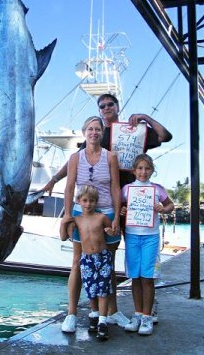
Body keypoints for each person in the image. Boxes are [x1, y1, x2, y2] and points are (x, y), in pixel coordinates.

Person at [44, 93, 172, 326]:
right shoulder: (95, 139)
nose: (105, 108)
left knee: (110, 262)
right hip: (92, 206)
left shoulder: (134, 131)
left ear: (117, 106)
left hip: (128, 204)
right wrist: (53, 179)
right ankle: (85, 313)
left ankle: (125, 311)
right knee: (81, 260)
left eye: (109, 104)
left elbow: (165, 135)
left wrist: (144, 117)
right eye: (101, 105)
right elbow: (72, 167)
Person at [60, 116, 122, 333]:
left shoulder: (111, 157)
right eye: (90, 129)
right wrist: (68, 215)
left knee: (108, 264)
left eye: (97, 129)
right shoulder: (75, 158)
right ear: (84, 131)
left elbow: (115, 187)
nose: (94, 132)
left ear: (102, 133)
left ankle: (111, 312)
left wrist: (116, 217)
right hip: (81, 214)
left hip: (105, 212)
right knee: (77, 262)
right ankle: (72, 314)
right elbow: (69, 188)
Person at [123, 154, 174, 336]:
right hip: (132, 236)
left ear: (152, 170)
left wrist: (163, 208)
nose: (143, 172)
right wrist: (123, 210)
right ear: (134, 171)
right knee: (135, 278)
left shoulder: (157, 189)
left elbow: (170, 205)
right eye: (140, 168)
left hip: (150, 237)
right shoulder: (126, 189)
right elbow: (122, 207)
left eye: (147, 168)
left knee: (148, 277)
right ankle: (137, 314)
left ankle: (147, 316)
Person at [60, 185, 114, 340]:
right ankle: (94, 316)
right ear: (79, 201)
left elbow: (111, 232)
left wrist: (111, 230)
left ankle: (103, 322)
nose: (88, 204)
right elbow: (63, 237)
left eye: (91, 201)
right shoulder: (76, 220)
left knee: (103, 289)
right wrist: (64, 222)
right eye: (84, 200)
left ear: (96, 202)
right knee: (91, 289)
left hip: (103, 257)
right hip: (86, 259)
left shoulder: (101, 217)